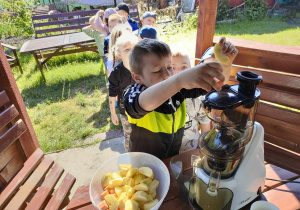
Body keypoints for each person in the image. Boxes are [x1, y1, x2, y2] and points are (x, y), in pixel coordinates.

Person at [123, 37, 238, 159]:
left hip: (171, 159)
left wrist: (225, 64)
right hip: (143, 165)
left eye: (169, 67)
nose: (167, 75)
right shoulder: (134, 93)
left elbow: (215, 84)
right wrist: (178, 80)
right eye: (157, 71)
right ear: (137, 77)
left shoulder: (178, 90)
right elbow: (141, 104)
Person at [171, 48, 211, 153]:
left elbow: (205, 128)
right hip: (167, 155)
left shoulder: (197, 98)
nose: (178, 72)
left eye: (183, 67)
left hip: (191, 152)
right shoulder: (162, 97)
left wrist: (203, 150)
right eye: (172, 67)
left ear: (191, 70)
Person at [108, 32, 138, 152]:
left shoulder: (143, 67)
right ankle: (129, 155)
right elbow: (112, 95)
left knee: (143, 133)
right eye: (127, 49)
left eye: (134, 48)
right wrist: (113, 113)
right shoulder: (116, 73)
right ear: (119, 53)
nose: (132, 52)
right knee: (129, 135)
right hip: (125, 112)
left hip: (143, 108)